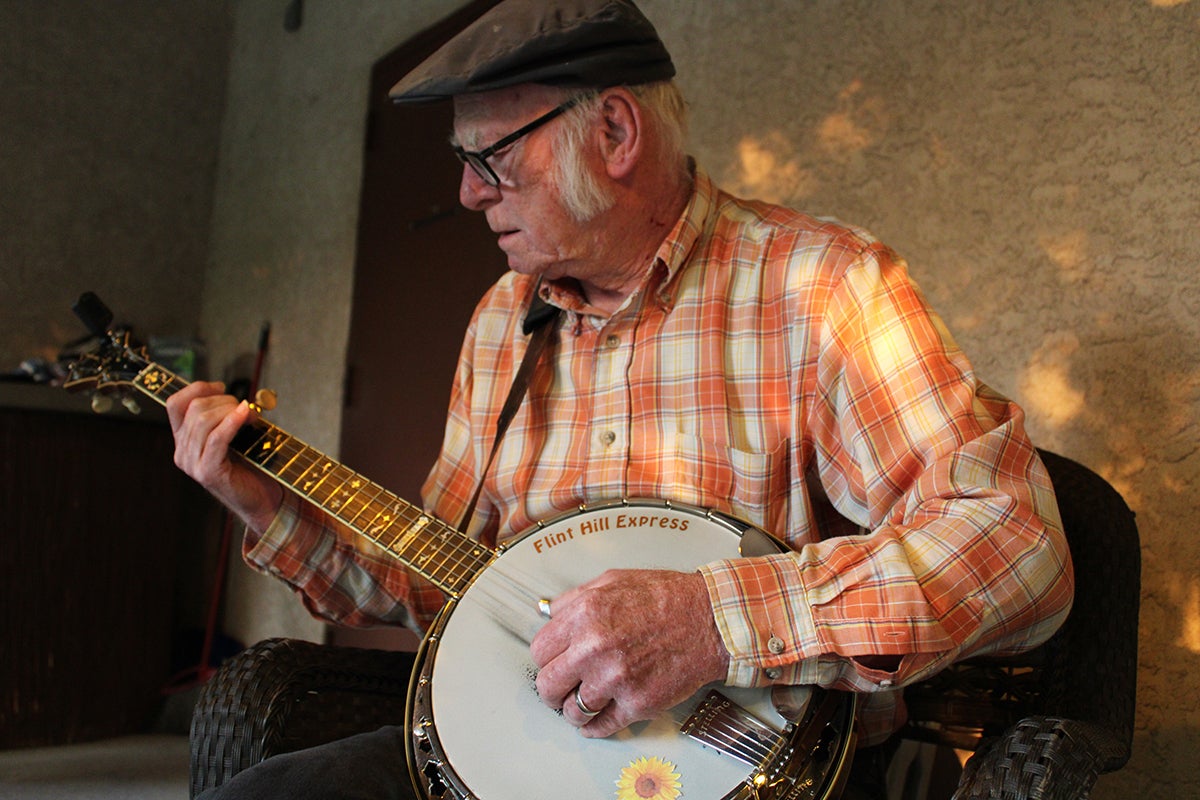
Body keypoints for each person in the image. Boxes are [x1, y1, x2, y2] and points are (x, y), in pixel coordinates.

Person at [167, 1, 1073, 797]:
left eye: (490, 156)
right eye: (460, 158)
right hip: (521, 746)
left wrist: (715, 621)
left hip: (756, 763)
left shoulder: (821, 286)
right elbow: (433, 579)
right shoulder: (500, 322)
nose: (466, 192)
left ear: (613, 133)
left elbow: (1014, 539)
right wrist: (266, 501)